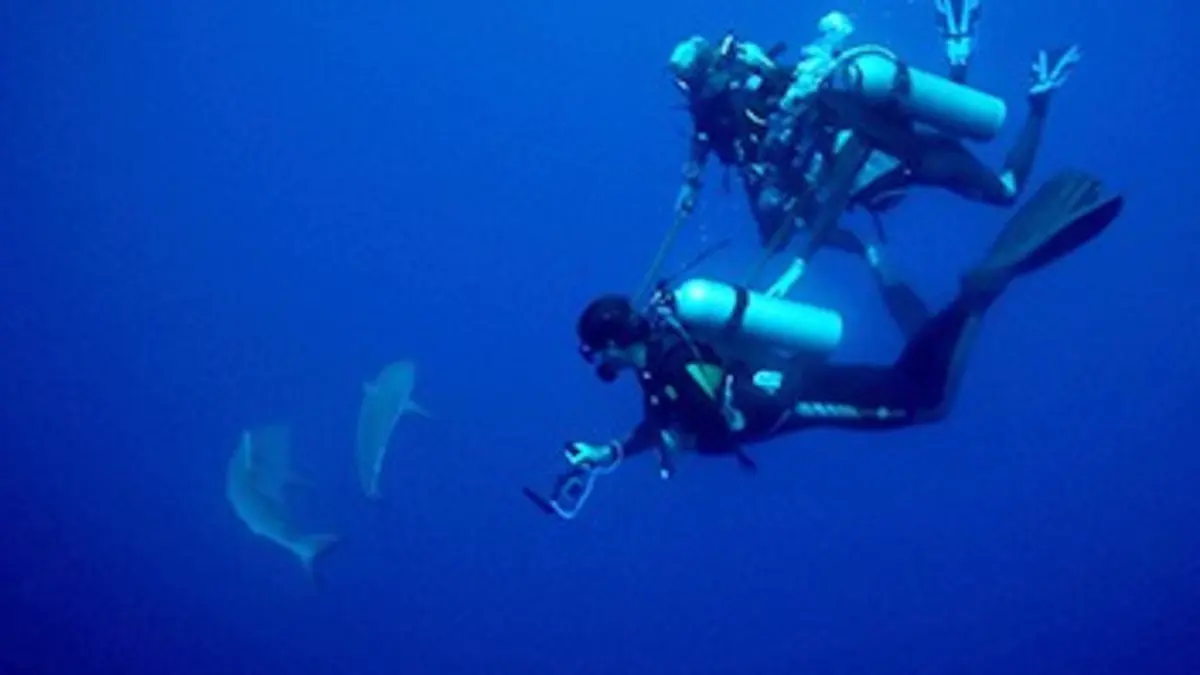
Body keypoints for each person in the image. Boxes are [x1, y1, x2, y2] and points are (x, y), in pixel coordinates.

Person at [523, 170, 1124, 519]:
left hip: (806, 400)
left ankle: (979, 291)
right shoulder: (661, 352)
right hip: (807, 385)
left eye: (592, 352)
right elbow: (667, 419)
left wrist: (677, 447)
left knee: (928, 401)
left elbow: (708, 416)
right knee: (907, 378)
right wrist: (612, 452)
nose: (595, 364)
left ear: (607, 344)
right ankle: (972, 296)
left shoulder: (669, 361)